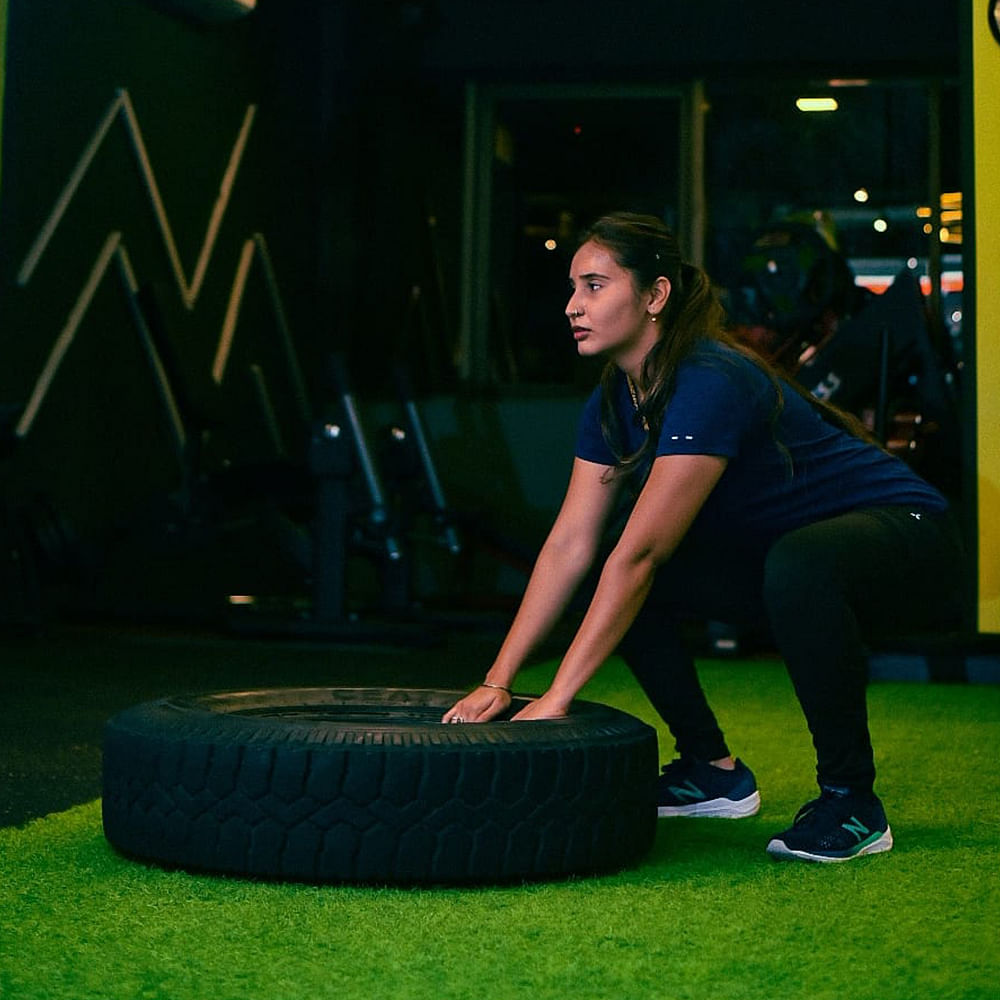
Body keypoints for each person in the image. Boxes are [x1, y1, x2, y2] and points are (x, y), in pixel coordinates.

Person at [441, 211, 965, 864]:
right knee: (627, 571)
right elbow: (571, 544)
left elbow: (643, 552)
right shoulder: (614, 401)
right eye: (573, 287)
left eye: (596, 286)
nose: (574, 305)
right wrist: (499, 679)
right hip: (790, 560)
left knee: (782, 564)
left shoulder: (709, 378)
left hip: (914, 540)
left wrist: (557, 697)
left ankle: (852, 802)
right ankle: (712, 769)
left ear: (655, 295)